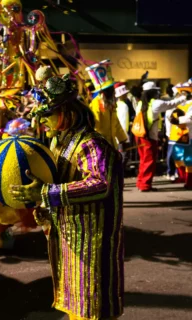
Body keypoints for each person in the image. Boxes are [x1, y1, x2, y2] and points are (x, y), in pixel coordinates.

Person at [10, 69, 124, 320]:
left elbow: (99, 183)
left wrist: (47, 192)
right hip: (71, 237)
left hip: (93, 240)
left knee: (92, 306)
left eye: (47, 115)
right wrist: (44, 207)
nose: (42, 123)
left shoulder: (92, 144)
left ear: (67, 113)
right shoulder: (60, 144)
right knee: (76, 305)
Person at [135, 81, 186, 192]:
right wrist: (183, 97)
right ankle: (145, 185)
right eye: (156, 91)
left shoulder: (140, 103)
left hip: (139, 135)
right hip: (149, 137)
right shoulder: (156, 103)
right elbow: (171, 104)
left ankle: (140, 182)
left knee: (143, 160)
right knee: (149, 161)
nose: (158, 93)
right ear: (152, 92)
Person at [86, 60, 128, 150]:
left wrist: (122, 139)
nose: (112, 91)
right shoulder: (96, 104)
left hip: (112, 145)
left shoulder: (111, 104)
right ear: (103, 91)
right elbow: (95, 127)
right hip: (101, 147)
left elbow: (116, 122)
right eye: (109, 89)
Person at [168, 82, 192, 189]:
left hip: (189, 135)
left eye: (182, 93)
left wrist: (177, 120)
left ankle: (189, 180)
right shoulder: (178, 104)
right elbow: (169, 116)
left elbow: (189, 118)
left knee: (189, 158)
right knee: (177, 157)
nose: (180, 94)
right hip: (176, 135)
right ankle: (182, 176)